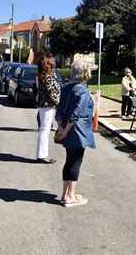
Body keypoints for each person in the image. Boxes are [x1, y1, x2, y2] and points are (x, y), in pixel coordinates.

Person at [55, 60, 95, 207]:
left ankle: (65, 195)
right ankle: (70, 196)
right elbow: (76, 112)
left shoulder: (66, 88)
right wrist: (65, 131)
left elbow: (59, 110)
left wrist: (61, 129)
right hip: (77, 131)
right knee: (76, 162)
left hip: (67, 128)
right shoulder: (83, 90)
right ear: (86, 73)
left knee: (69, 161)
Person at [35, 53, 61, 164]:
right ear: (49, 66)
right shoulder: (48, 78)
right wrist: (60, 105)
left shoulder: (42, 77)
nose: (54, 65)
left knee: (44, 130)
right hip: (47, 107)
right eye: (53, 64)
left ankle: (42, 155)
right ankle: (42, 156)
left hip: (44, 107)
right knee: (44, 131)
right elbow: (53, 95)